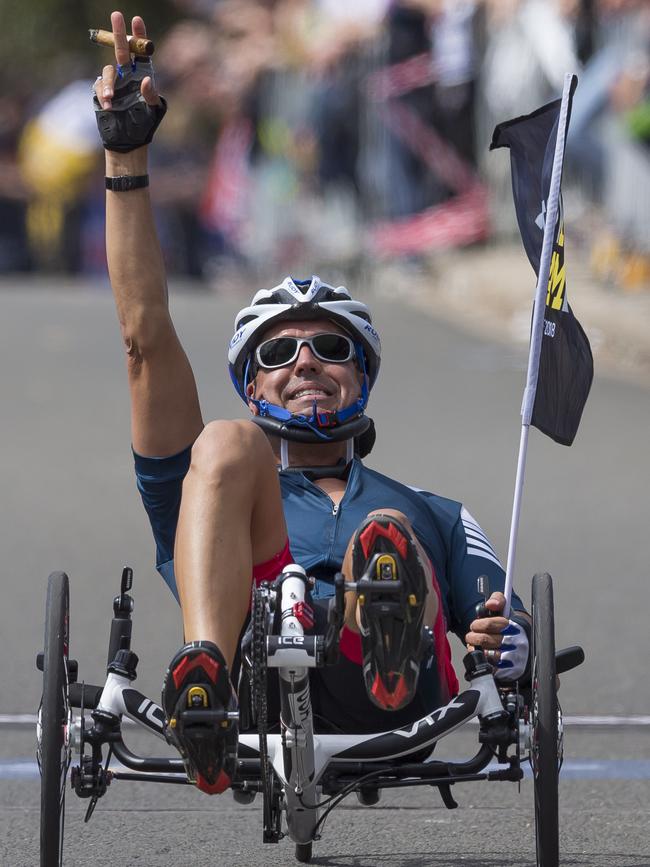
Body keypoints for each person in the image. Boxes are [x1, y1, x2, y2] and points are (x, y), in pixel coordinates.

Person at [94, 11, 532, 795]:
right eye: (276, 353)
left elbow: (507, 624)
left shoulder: (435, 510)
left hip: (402, 707)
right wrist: (126, 157)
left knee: (387, 535)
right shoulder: (206, 497)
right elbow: (144, 339)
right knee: (225, 447)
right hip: (255, 685)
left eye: (332, 349)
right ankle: (207, 683)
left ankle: (380, 644)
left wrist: (508, 641)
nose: (305, 361)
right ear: (252, 384)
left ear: (361, 380)